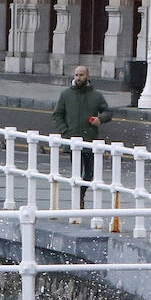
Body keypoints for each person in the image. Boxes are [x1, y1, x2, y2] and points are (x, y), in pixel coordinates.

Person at [51, 65, 111, 211]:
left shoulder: (96, 96)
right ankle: (78, 199)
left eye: (81, 75)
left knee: (89, 173)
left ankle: (81, 194)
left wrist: (100, 119)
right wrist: (65, 131)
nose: (78, 78)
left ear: (87, 76)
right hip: (72, 140)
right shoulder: (66, 95)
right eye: (76, 75)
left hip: (90, 139)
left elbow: (107, 112)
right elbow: (57, 114)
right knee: (76, 171)